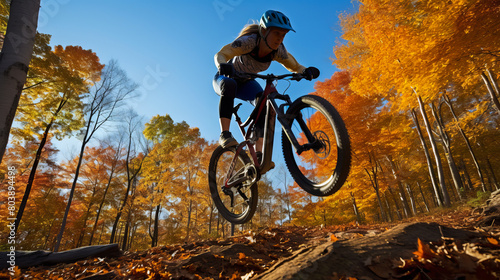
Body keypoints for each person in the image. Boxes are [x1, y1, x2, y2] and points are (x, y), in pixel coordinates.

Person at [213, 10, 319, 158]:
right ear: (264, 31)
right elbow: (222, 54)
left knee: (264, 103)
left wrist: (306, 71)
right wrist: (222, 64)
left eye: (283, 35)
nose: (280, 39)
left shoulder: (278, 51)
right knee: (229, 85)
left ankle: (259, 154)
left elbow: (295, 66)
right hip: (225, 78)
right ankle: (225, 134)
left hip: (246, 84)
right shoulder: (249, 42)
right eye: (276, 33)